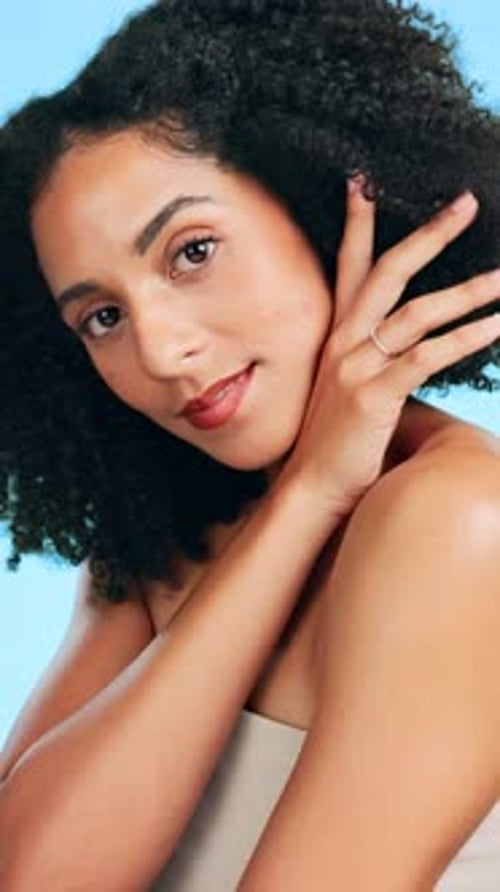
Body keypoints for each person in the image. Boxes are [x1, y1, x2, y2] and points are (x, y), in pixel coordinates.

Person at [0, 0, 499, 888]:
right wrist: (305, 498)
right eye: (102, 317)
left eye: (191, 252)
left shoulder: (461, 521)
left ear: (315, 204)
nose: (160, 351)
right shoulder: (165, 542)